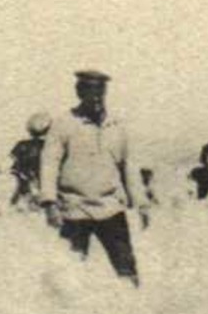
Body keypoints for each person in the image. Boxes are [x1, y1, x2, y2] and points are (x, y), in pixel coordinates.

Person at [38, 70, 147, 284]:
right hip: (74, 208)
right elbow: (49, 163)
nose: (96, 97)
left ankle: (132, 311)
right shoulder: (64, 123)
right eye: (89, 91)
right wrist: (49, 203)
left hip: (111, 206)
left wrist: (141, 203)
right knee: (70, 272)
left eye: (100, 91)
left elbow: (130, 165)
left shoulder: (117, 125)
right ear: (79, 92)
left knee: (127, 270)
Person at [9, 113, 51, 211]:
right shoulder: (48, 146)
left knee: (21, 189)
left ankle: (17, 203)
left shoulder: (22, 144)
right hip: (40, 173)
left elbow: (13, 157)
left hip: (24, 172)